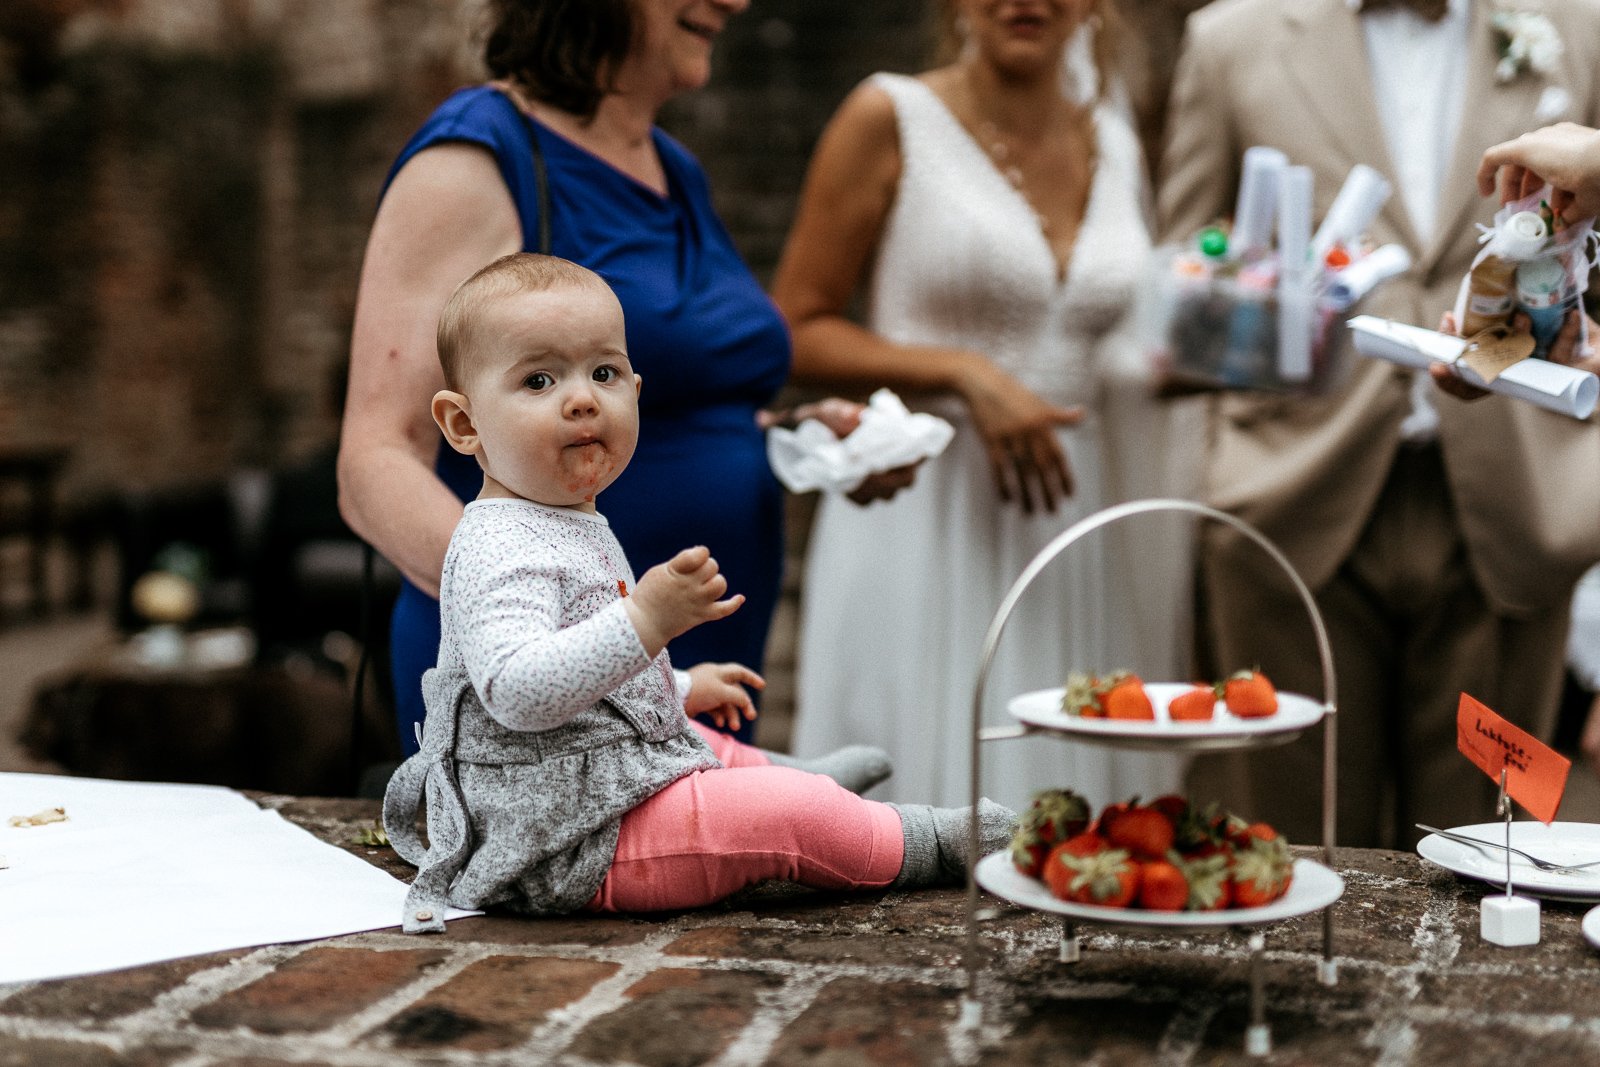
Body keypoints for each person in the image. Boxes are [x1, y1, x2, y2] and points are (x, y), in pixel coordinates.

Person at [380, 253, 1012, 930]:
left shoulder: (556, 515)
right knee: (784, 818)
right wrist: (645, 620)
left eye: (604, 373)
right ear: (465, 425)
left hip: (598, 782)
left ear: (635, 389)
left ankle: (799, 776)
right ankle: (922, 839)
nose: (584, 396)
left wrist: (675, 685)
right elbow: (517, 690)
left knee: (707, 738)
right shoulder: (499, 545)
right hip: (567, 840)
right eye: (539, 379)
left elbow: (586, 679)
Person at [337, 0, 903, 755]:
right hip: (552, 701)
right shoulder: (475, 157)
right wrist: (588, 644)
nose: (734, 2)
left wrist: (796, 439)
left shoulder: (674, 167)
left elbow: (679, 402)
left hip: (694, 675)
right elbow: (375, 460)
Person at [1159, 0, 1600, 848]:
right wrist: (1256, 306)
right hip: (1293, 496)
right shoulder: (1232, 38)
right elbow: (1185, 273)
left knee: (1492, 855)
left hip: (1515, 505)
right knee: (1296, 852)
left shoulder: (1573, 22)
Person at [772, 0, 1197, 812]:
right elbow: (794, 329)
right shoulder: (890, 115)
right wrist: (965, 371)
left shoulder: (1111, 136)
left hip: (1078, 517)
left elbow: (1125, 338)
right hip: (926, 511)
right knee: (927, 792)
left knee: (1077, 780)